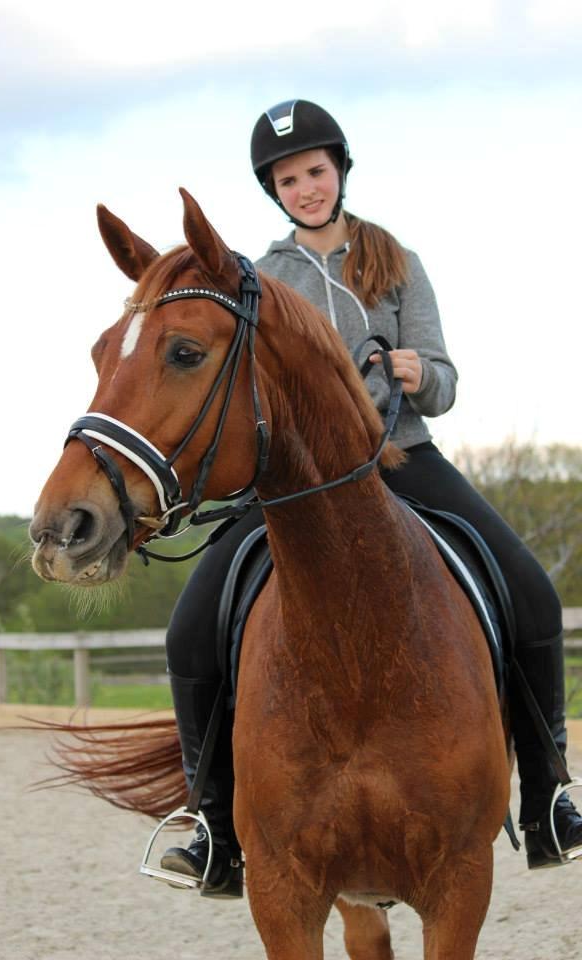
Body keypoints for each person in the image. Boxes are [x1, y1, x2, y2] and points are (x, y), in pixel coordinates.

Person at [161, 99, 582, 896]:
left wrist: (426, 374)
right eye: (288, 179)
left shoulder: (396, 260)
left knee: (529, 588)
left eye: (315, 171)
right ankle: (210, 824)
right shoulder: (260, 279)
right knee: (190, 628)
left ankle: (549, 797)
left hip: (402, 457)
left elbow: (448, 382)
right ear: (273, 191)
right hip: (289, 482)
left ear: (340, 170)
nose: (306, 189)